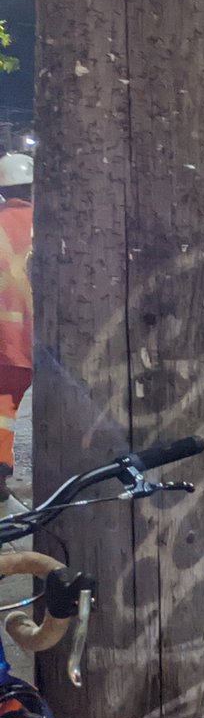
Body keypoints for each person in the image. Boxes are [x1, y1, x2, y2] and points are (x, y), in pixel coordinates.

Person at [0, 143, 33, 500]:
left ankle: (0, 468)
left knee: (3, 407)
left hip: (3, 339)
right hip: (45, 337)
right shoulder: (51, 225)